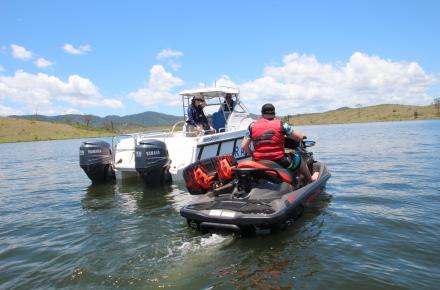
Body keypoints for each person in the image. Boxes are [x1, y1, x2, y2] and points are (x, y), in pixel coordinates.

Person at [241, 103, 319, 182]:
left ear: (262, 114)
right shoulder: (281, 125)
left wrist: (253, 154)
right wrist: (302, 136)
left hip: (258, 161)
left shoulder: (252, 126)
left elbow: (244, 146)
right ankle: (311, 179)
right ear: (274, 113)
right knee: (300, 160)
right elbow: (298, 138)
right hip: (279, 160)